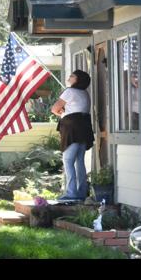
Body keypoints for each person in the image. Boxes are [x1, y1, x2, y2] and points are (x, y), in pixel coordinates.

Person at [53, 70, 92, 202]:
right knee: (79, 161)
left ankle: (71, 193)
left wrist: (63, 113)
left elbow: (54, 109)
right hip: (84, 129)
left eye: (72, 76)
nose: (69, 77)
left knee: (68, 160)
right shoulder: (85, 93)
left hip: (72, 130)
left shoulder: (69, 91)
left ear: (78, 79)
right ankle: (82, 192)